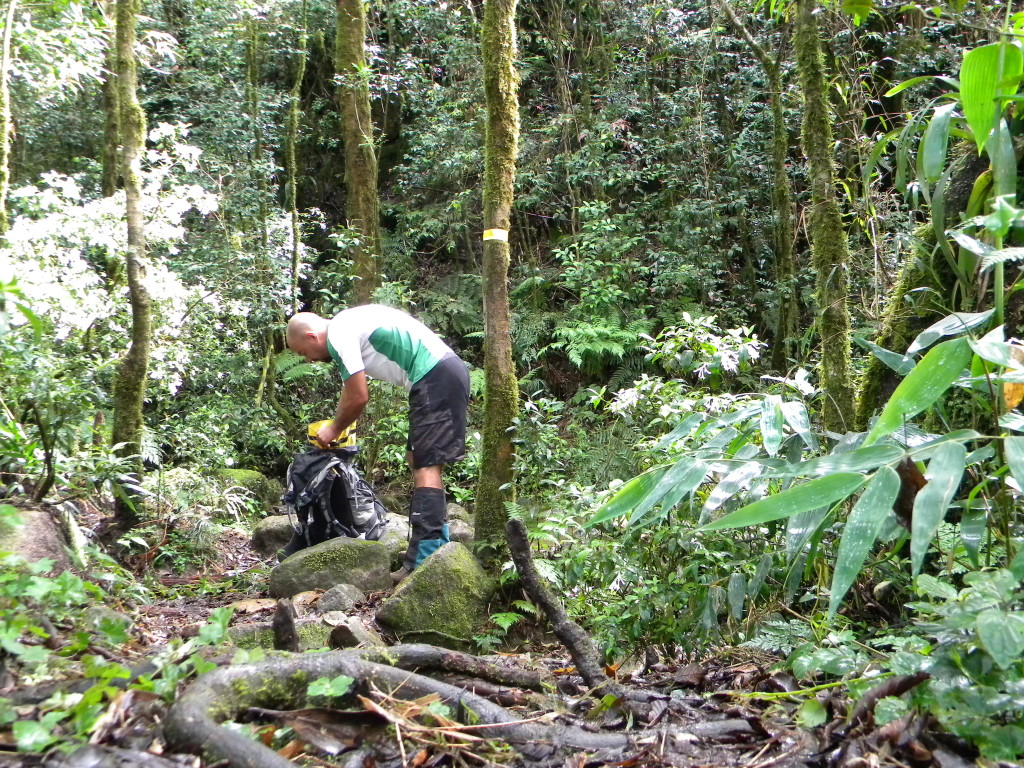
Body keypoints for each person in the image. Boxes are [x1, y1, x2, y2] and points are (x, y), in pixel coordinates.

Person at [286, 305, 470, 584]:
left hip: (436, 376)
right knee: (415, 457)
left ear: (312, 337)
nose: (308, 360)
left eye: (303, 353)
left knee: (426, 466)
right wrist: (335, 424)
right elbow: (349, 392)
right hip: (437, 375)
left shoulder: (339, 334)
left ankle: (425, 558)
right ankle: (437, 542)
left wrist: (334, 429)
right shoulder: (346, 323)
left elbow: (359, 397)